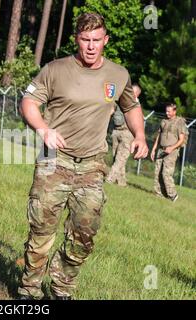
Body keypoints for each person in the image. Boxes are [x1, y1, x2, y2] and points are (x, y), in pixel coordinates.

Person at [17, 13, 148, 300]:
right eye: (85, 40)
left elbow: (131, 106)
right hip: (55, 158)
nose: (90, 46)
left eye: (96, 40)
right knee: (42, 229)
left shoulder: (118, 74)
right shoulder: (55, 70)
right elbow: (28, 101)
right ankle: (29, 289)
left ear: (106, 40)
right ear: (76, 39)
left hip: (92, 164)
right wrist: (43, 128)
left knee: (85, 232)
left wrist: (139, 135)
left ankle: (62, 288)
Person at [150, 103, 187, 202]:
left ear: (174, 111)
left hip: (172, 151)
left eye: (169, 111)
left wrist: (171, 148)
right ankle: (159, 194)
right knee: (157, 172)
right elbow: (159, 136)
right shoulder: (164, 121)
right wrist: (154, 149)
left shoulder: (179, 122)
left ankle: (173, 195)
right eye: (166, 111)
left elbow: (181, 140)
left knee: (166, 173)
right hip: (161, 149)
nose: (167, 113)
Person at [106, 84, 142, 186]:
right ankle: (121, 183)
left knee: (120, 158)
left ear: (137, 95)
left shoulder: (137, 106)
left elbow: (139, 122)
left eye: (133, 92)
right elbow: (111, 111)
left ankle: (109, 179)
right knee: (115, 157)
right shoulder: (120, 101)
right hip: (116, 131)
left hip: (128, 133)